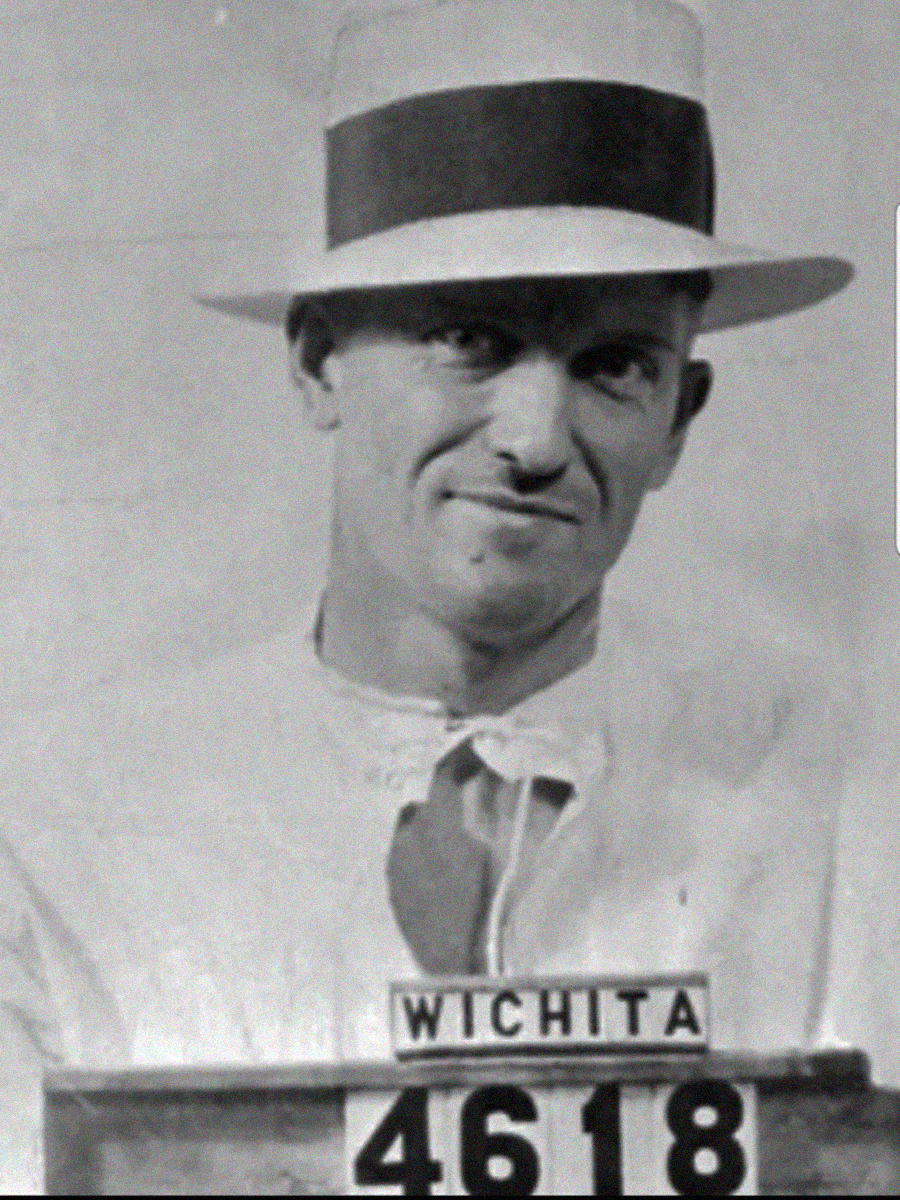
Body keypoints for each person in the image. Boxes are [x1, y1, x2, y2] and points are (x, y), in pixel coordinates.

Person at [0, 0, 863, 1190]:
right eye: (471, 338)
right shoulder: (50, 832)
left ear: (681, 419)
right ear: (317, 365)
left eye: (617, 365)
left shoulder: (849, 826)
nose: (538, 439)